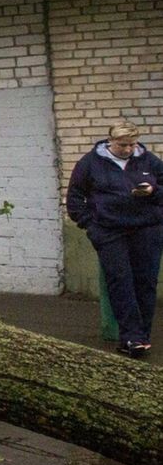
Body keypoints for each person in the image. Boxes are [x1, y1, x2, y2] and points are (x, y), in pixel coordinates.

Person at [66, 122, 163, 359]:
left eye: (132, 145)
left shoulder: (149, 161)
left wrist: (153, 191)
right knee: (120, 281)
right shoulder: (89, 163)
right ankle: (131, 337)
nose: (128, 149)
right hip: (109, 231)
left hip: (147, 228)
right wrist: (91, 225)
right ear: (111, 142)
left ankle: (141, 337)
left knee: (145, 282)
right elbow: (75, 199)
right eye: (122, 145)